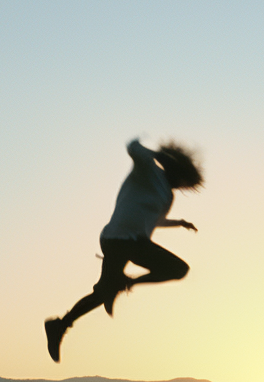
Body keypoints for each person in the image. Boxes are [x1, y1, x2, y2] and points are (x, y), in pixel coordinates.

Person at [44, 138, 204, 362]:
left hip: (133, 244)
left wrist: (178, 222)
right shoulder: (147, 169)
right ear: (176, 170)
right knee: (175, 269)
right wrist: (160, 155)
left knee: (105, 293)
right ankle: (122, 284)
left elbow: (155, 220)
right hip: (118, 240)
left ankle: (60, 325)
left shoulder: (168, 195)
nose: (182, 186)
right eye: (183, 181)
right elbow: (133, 146)